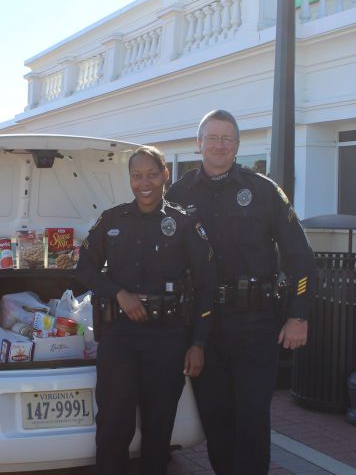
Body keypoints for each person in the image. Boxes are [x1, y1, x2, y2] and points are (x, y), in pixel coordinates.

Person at [166, 109, 316, 475]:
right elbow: (161, 256)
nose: (219, 145)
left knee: (251, 417)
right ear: (198, 143)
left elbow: (300, 256)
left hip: (254, 324)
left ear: (237, 146)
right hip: (202, 327)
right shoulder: (179, 192)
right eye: (212, 138)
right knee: (216, 418)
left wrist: (299, 315)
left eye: (227, 138)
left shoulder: (263, 190)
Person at [76, 145, 216, 475]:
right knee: (113, 425)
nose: (145, 183)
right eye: (137, 176)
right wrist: (119, 293)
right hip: (120, 337)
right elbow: (84, 268)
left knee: (158, 428)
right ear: (130, 179)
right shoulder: (111, 220)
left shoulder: (184, 223)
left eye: (152, 174)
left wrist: (199, 343)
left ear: (166, 175)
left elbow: (208, 286)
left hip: (168, 339)